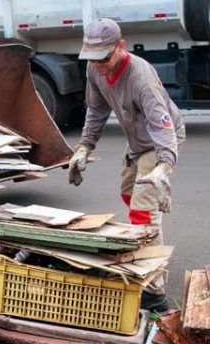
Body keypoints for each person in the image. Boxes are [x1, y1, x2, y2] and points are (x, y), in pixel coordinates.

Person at [68, 18, 185, 313]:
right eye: (91, 59)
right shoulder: (95, 69)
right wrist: (84, 147)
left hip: (161, 141)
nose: (98, 65)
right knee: (128, 196)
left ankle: (154, 293)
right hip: (136, 143)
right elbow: (96, 110)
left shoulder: (140, 77)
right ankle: (144, 234)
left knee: (143, 211)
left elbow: (163, 128)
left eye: (104, 58)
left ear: (121, 47)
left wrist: (164, 167)